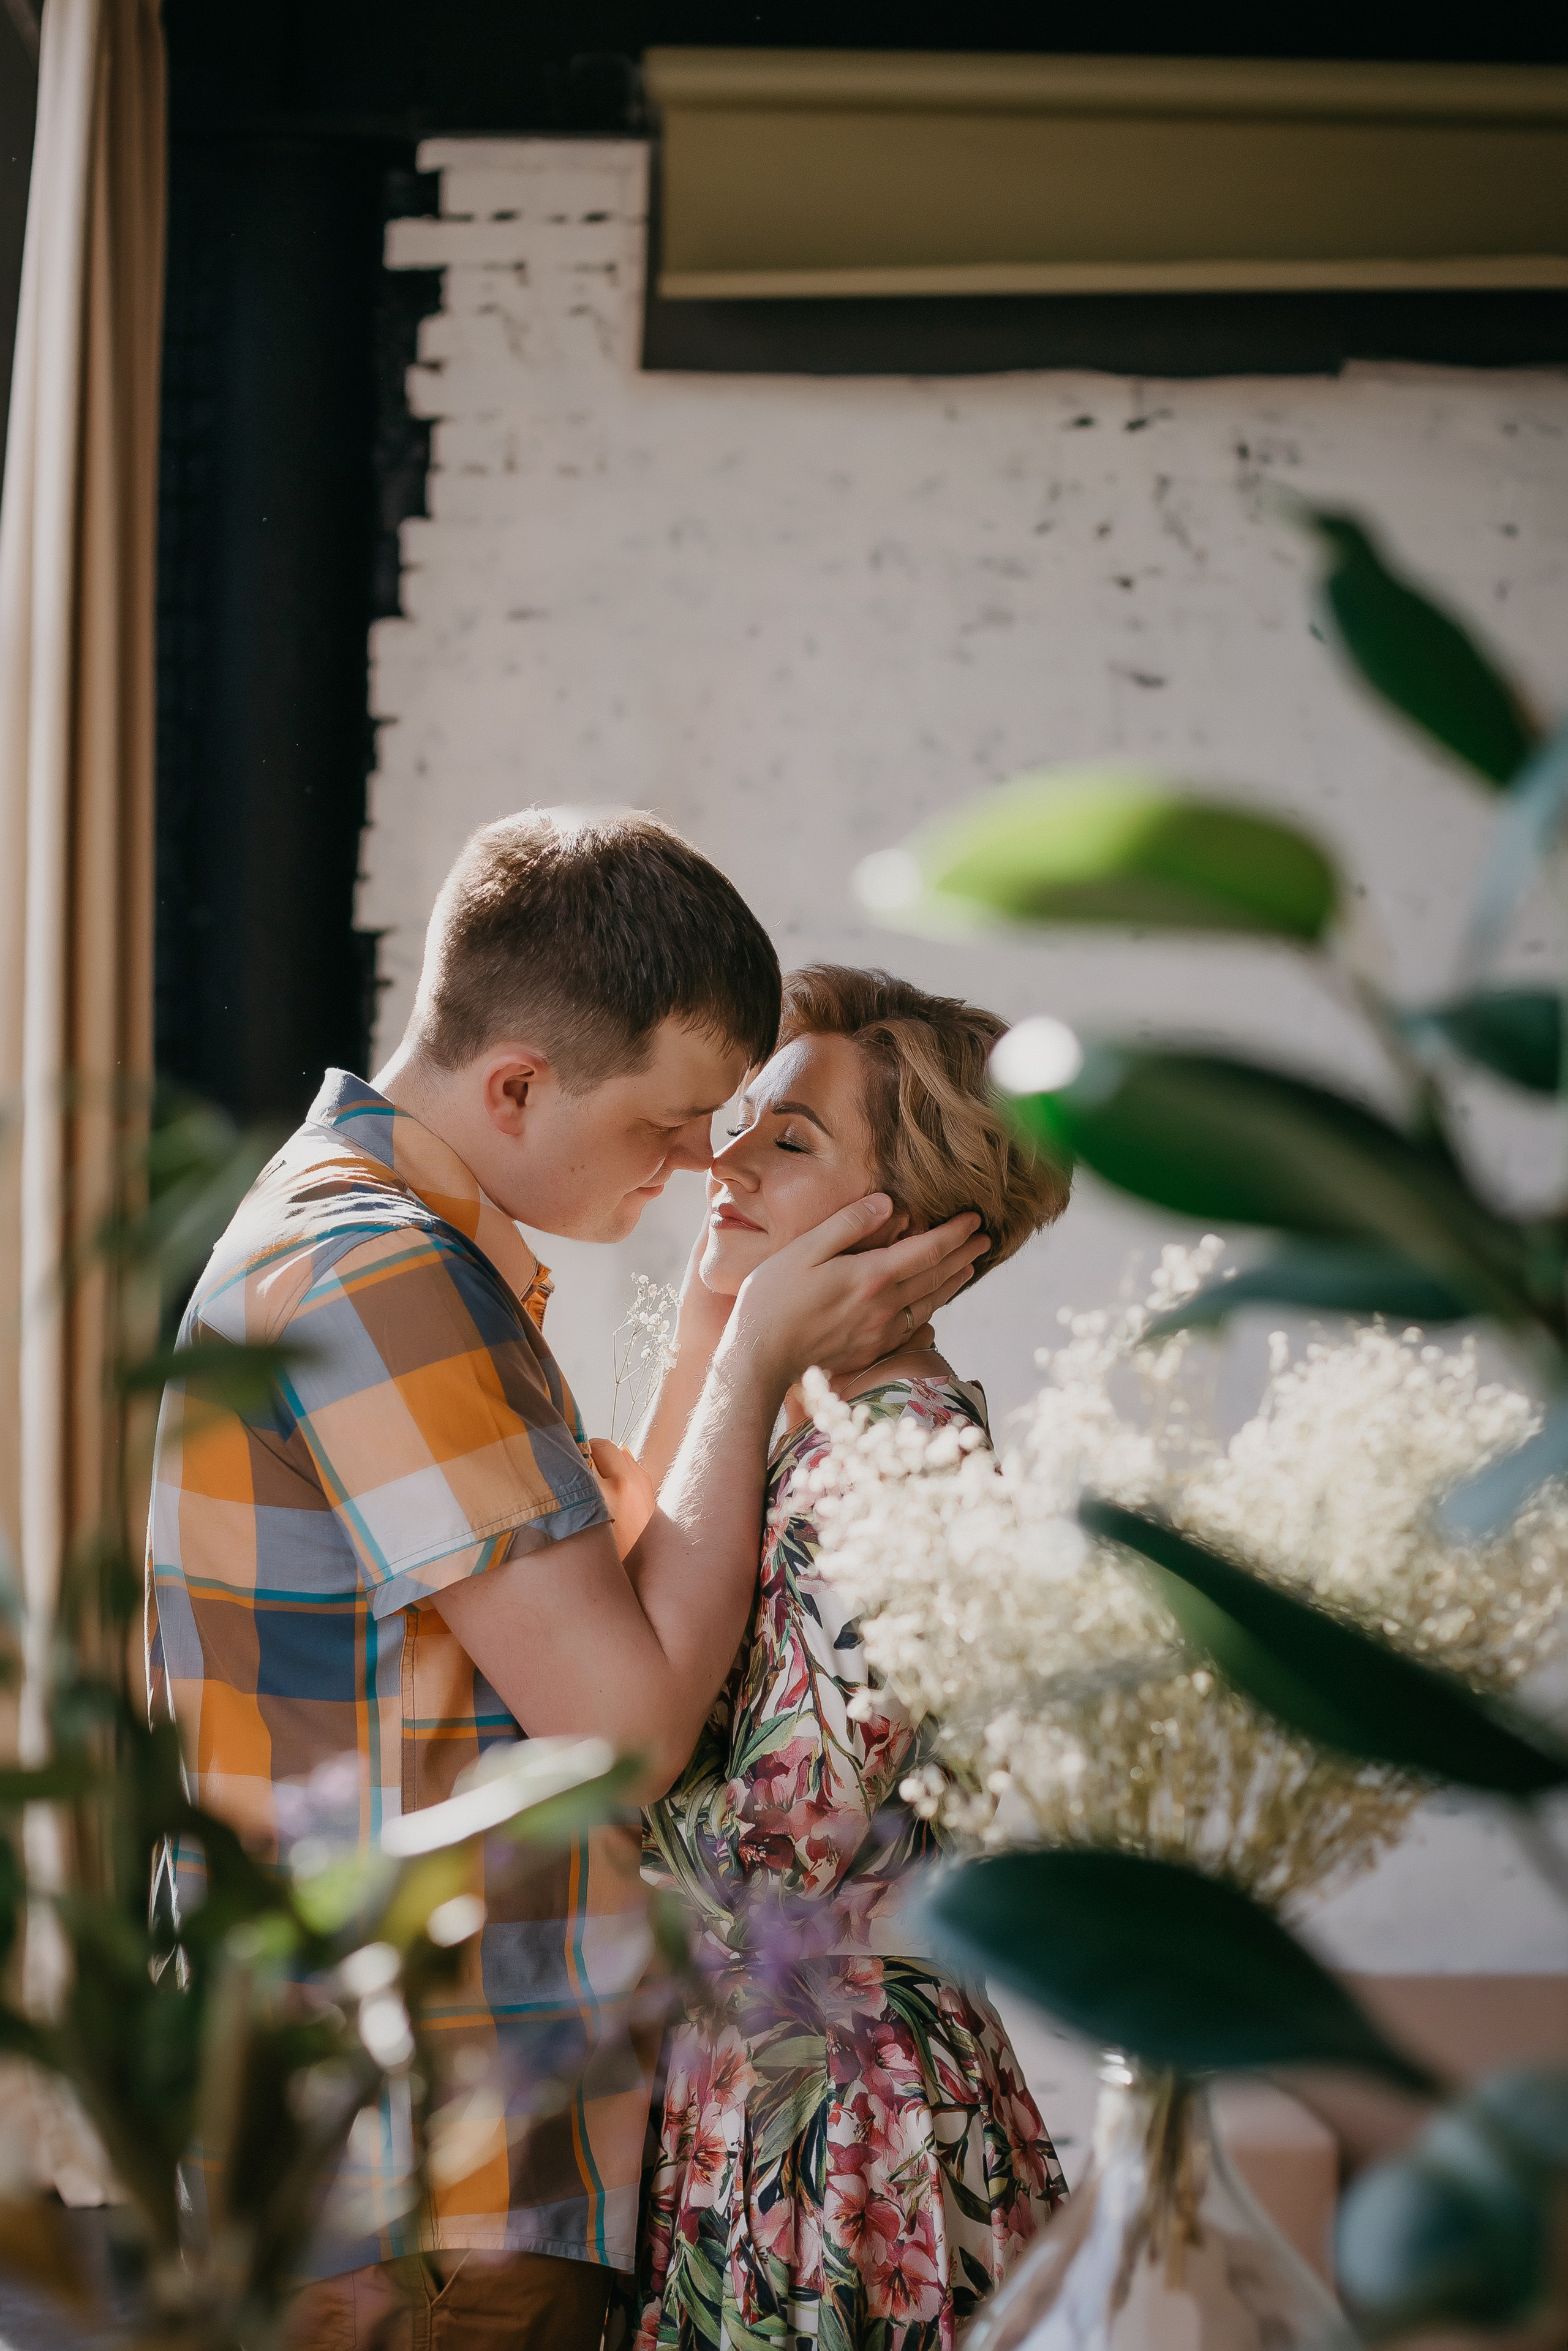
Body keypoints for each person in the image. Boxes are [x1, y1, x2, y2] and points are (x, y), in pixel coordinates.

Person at [145, 818, 989, 2351]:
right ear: (519, 1083)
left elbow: (606, 1592)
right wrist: (745, 1359)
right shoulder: (379, 1281)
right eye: (670, 1124)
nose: (695, 1169)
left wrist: (719, 1336)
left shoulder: (417, 1256)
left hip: (445, 2165)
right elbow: (623, 1729)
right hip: (420, 2175)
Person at [630, 966, 1072, 2351]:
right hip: (776, 2085)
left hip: (834, 2135)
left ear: (914, 1226)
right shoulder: (799, 1424)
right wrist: (730, 1340)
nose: (727, 1152)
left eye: (791, 1139)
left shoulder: (896, 1460)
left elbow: (759, 1866)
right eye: (744, 1115)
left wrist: (547, 1754)